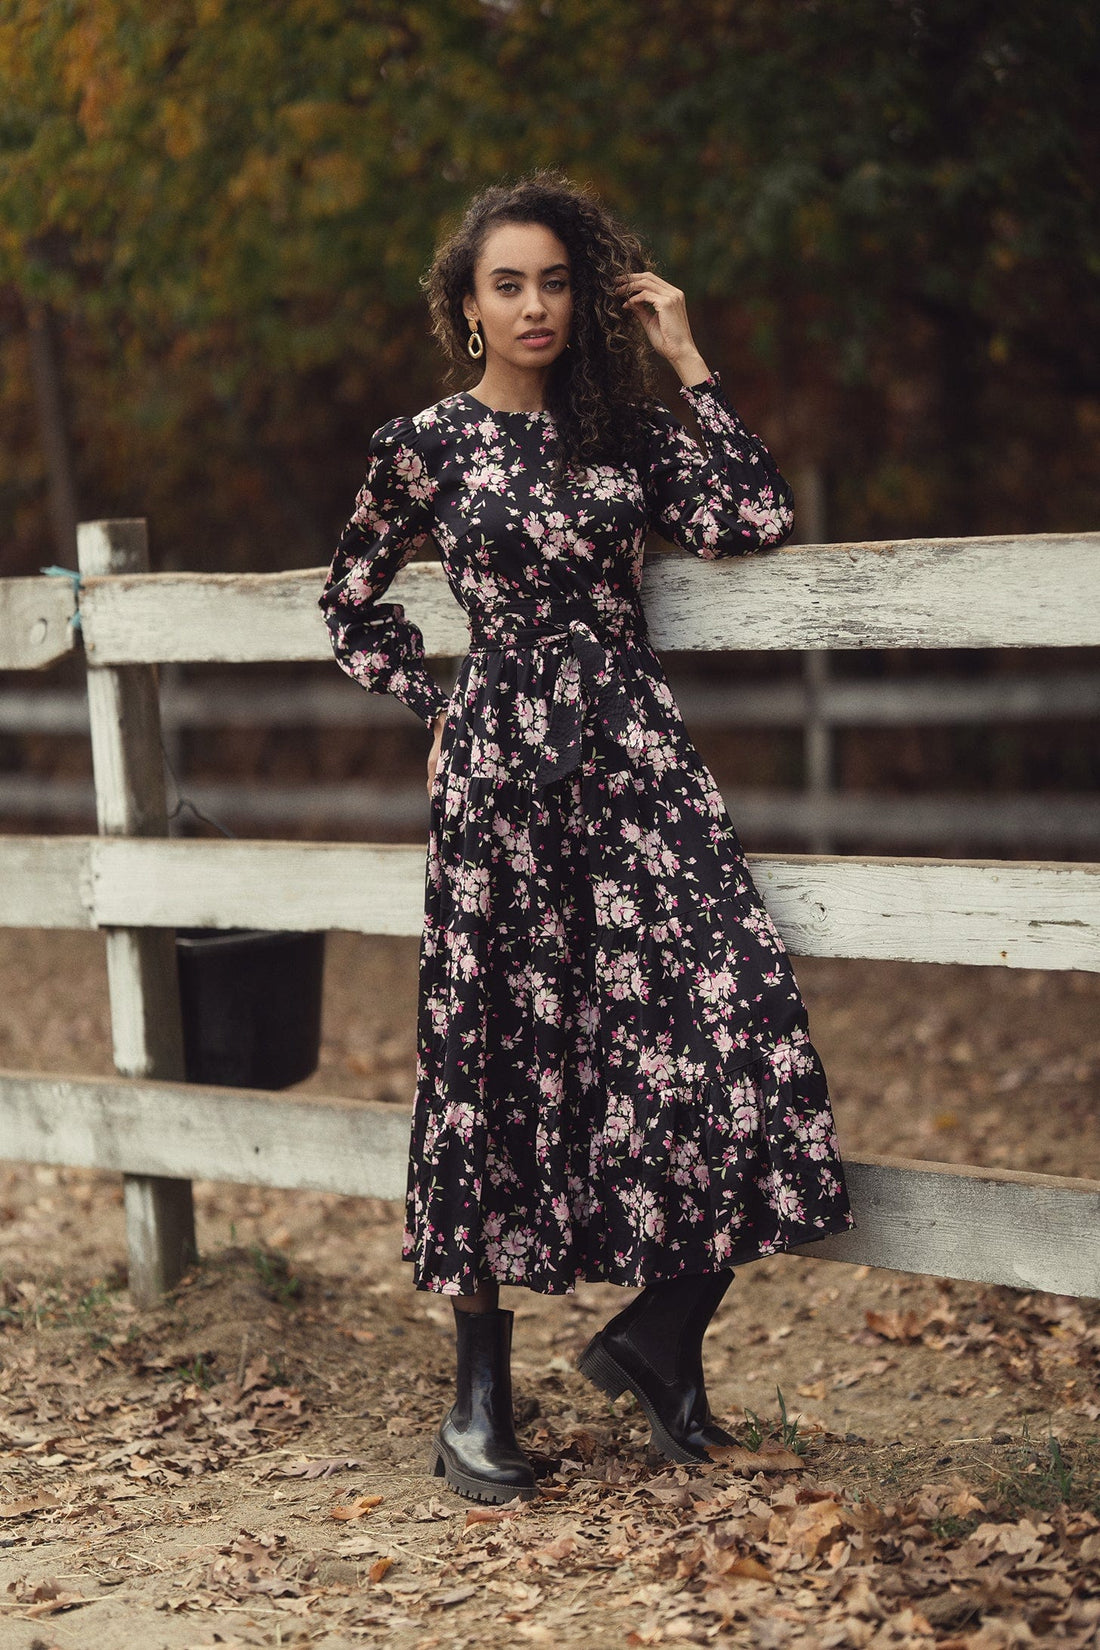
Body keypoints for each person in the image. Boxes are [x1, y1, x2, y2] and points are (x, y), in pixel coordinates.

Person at [319, 170, 854, 1506]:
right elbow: (350, 600)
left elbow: (753, 519)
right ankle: (478, 1400)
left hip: (634, 763)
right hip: (503, 773)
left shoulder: (627, 429)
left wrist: (690, 361)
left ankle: (662, 1336)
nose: (536, 303)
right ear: (467, 306)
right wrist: (434, 702)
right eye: (509, 283)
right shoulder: (425, 445)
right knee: (495, 1056)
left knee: (735, 1022)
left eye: (557, 280)